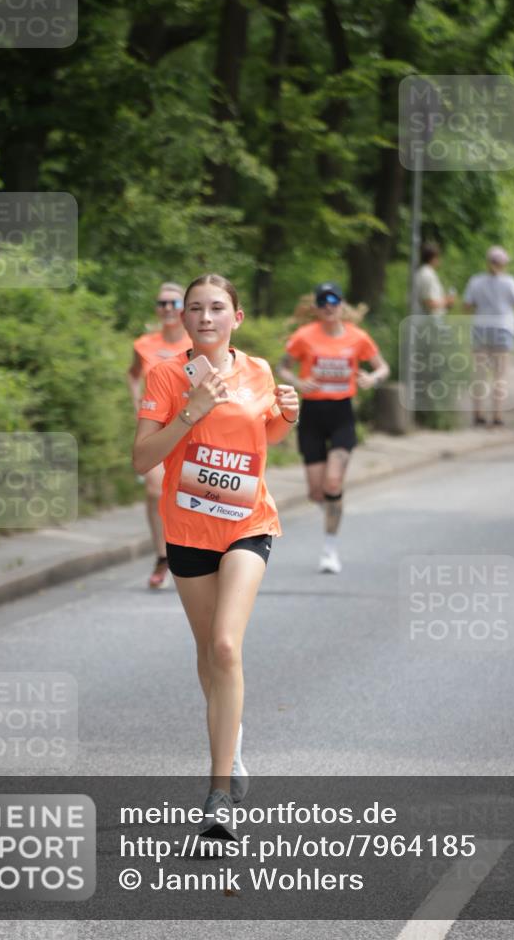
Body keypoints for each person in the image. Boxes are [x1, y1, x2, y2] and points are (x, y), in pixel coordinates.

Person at [132, 274, 298, 837]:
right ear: (183, 319)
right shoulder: (165, 375)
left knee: (226, 644)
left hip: (248, 523)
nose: (206, 317)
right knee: (208, 652)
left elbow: (265, 436)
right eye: (195, 308)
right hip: (187, 529)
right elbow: (141, 459)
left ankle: (218, 793)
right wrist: (191, 411)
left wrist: (288, 415)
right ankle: (234, 740)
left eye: (217, 308)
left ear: (236, 317)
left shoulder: (259, 370)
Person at [277, 282, 389, 575]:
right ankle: (331, 508)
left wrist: (372, 379)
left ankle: (330, 548)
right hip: (312, 415)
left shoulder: (357, 337)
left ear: (342, 306)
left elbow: (382, 367)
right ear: (316, 307)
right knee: (317, 492)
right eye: (323, 302)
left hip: (342, 414)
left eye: (334, 301)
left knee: (333, 483)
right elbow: (283, 367)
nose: (329, 307)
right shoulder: (304, 336)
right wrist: (298, 382)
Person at [128, 283, 192, 589]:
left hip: (190, 427)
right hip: (155, 427)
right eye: (162, 303)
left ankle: (191, 551)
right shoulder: (144, 344)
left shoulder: (197, 341)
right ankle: (162, 556)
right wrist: (136, 404)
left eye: (173, 303)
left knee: (187, 491)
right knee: (155, 490)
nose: (167, 308)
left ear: (184, 309)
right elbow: (132, 375)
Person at [463, 246, 514, 427]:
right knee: (500, 375)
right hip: (503, 329)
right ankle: (497, 416)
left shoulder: (476, 281)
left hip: (481, 328)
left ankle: (478, 414)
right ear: (504, 263)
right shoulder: (509, 282)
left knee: (479, 374)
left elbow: (466, 306)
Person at [414, 242, 456, 316]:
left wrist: (444, 299)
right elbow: (429, 303)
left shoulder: (424, 272)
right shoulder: (427, 274)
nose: (439, 260)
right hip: (429, 320)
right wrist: (447, 301)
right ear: (433, 258)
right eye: (438, 257)